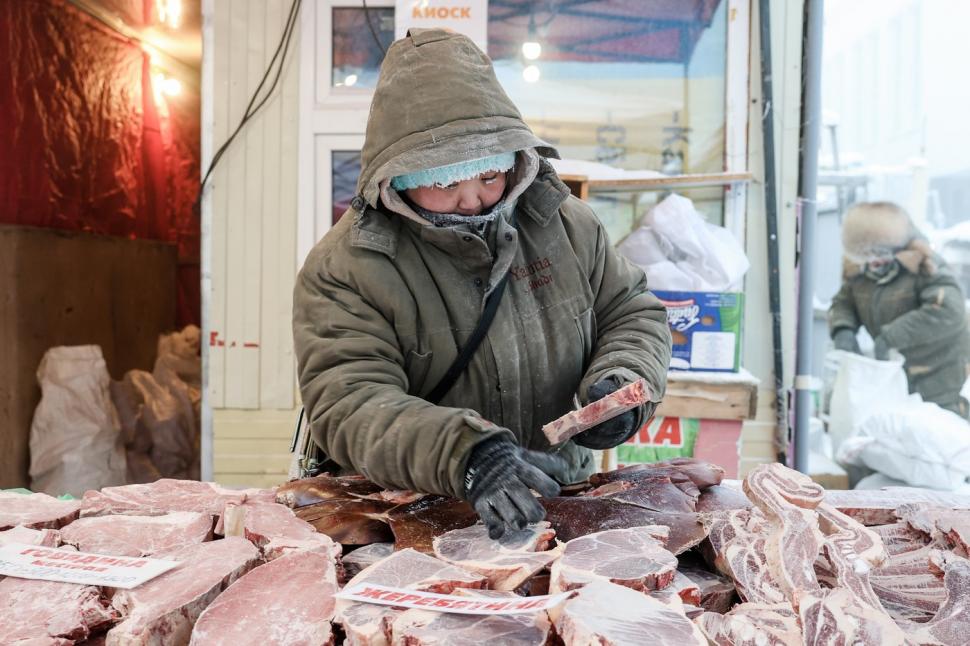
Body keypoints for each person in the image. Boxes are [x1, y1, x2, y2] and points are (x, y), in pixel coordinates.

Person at [293, 29, 672, 539]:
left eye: (490, 174)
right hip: (414, 522)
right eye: (447, 183)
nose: (473, 200)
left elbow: (631, 311)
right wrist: (466, 454)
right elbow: (348, 402)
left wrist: (623, 382)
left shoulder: (565, 225)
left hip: (558, 508)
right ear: (398, 178)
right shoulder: (346, 267)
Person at [829, 201, 970, 417]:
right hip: (900, 377)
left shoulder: (927, 267)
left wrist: (890, 337)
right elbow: (844, 302)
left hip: (941, 378)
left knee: (939, 441)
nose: (871, 263)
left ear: (896, 248)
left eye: (876, 255)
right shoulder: (861, 272)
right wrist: (843, 329)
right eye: (864, 257)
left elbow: (948, 311)